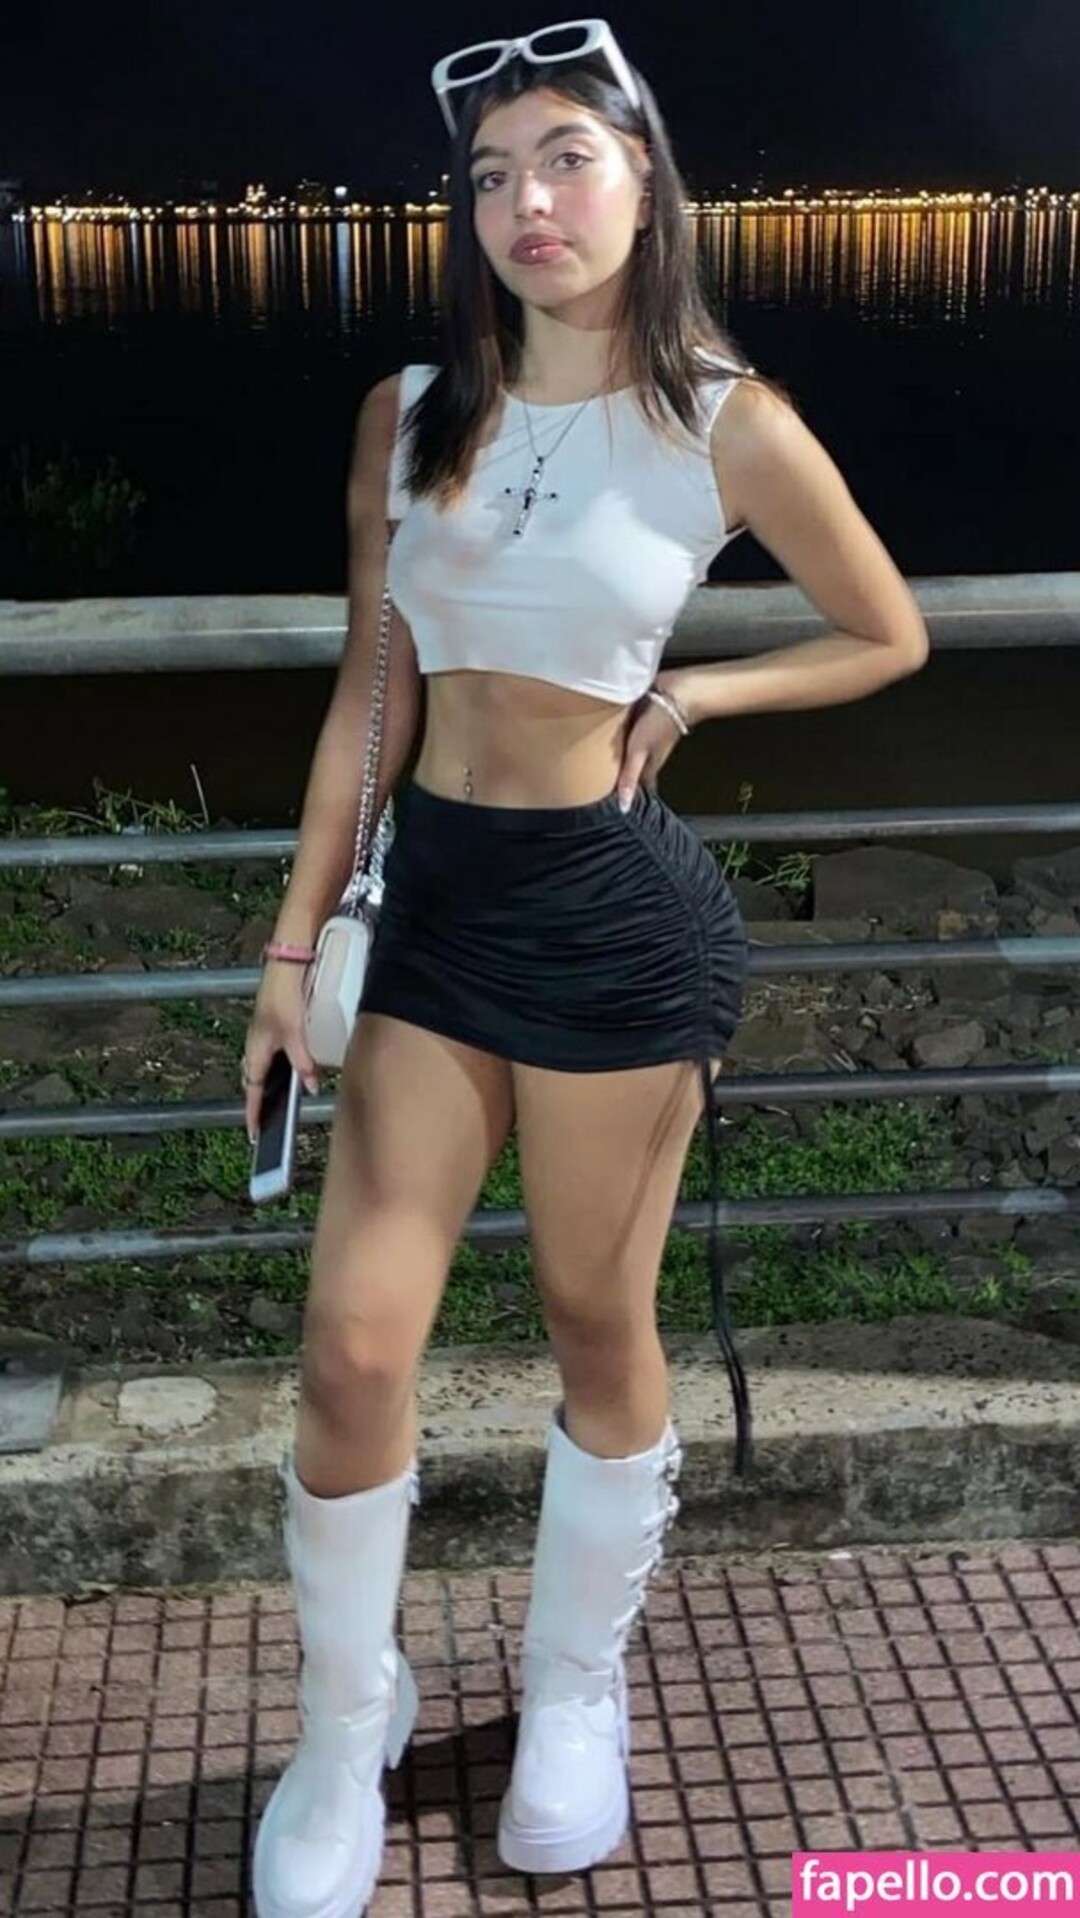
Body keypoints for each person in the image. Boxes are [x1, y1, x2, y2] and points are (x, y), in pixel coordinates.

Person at [241, 19, 929, 1917]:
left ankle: (572, 1690)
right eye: (491, 175)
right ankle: (344, 1727)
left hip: (617, 924)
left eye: (565, 159)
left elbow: (886, 630)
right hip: (438, 911)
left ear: (645, 181)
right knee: (353, 1341)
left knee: (593, 1321)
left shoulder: (727, 421)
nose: (525, 204)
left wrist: (697, 688)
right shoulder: (409, 413)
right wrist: (292, 944)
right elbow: (371, 688)